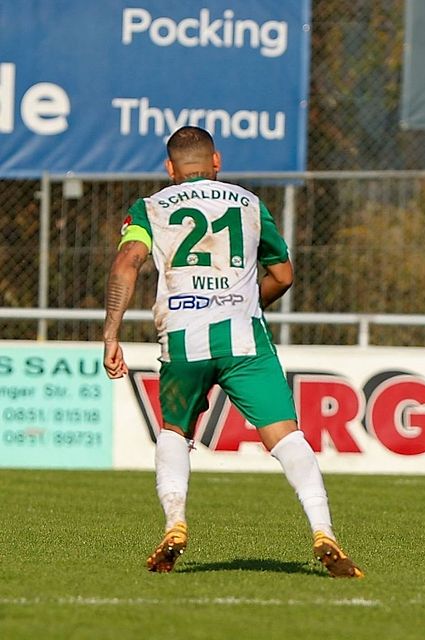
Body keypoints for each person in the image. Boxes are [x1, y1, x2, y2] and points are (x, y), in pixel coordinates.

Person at [101, 126, 362, 578]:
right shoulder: (249, 204)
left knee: (174, 431)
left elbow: (127, 263)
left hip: (183, 338)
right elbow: (282, 274)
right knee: (287, 437)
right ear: (216, 162)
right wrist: (244, 301)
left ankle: (175, 522)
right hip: (244, 339)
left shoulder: (149, 208)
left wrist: (111, 334)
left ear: (170, 168)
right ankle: (324, 531)